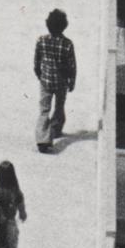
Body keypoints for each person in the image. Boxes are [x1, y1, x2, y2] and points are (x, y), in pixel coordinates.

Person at [33, 9, 77, 152]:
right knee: (59, 107)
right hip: (61, 82)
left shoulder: (41, 40)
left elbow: (37, 61)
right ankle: (55, 130)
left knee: (44, 109)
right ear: (64, 25)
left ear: (48, 25)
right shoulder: (67, 44)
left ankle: (42, 139)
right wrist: (72, 81)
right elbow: (72, 65)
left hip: (45, 81)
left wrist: (39, 73)